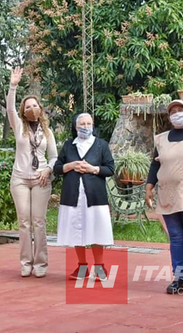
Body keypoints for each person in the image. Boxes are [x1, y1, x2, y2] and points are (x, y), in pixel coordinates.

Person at [145, 100, 183, 296]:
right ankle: (179, 279)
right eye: (173, 111)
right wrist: (149, 186)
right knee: (176, 238)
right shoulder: (160, 139)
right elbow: (155, 165)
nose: (176, 113)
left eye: (181, 110)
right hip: (167, 194)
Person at [7, 67, 58, 278]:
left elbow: (54, 156)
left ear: (40, 108)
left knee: (39, 221)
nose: (32, 109)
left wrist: (48, 169)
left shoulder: (48, 131)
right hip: (20, 179)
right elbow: (10, 108)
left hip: (40, 180)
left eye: (35, 105)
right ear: (23, 111)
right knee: (24, 222)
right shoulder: (19, 126)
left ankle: (41, 264)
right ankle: (25, 263)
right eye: (28, 106)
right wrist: (13, 86)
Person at [54, 113, 115, 280]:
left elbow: (110, 168)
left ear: (93, 125)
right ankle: (82, 267)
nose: (85, 126)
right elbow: (57, 168)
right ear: (76, 126)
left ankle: (99, 267)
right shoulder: (68, 145)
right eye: (82, 123)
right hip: (73, 195)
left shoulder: (101, 145)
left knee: (97, 230)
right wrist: (71, 165)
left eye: (89, 123)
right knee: (76, 230)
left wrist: (92, 169)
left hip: (95, 196)